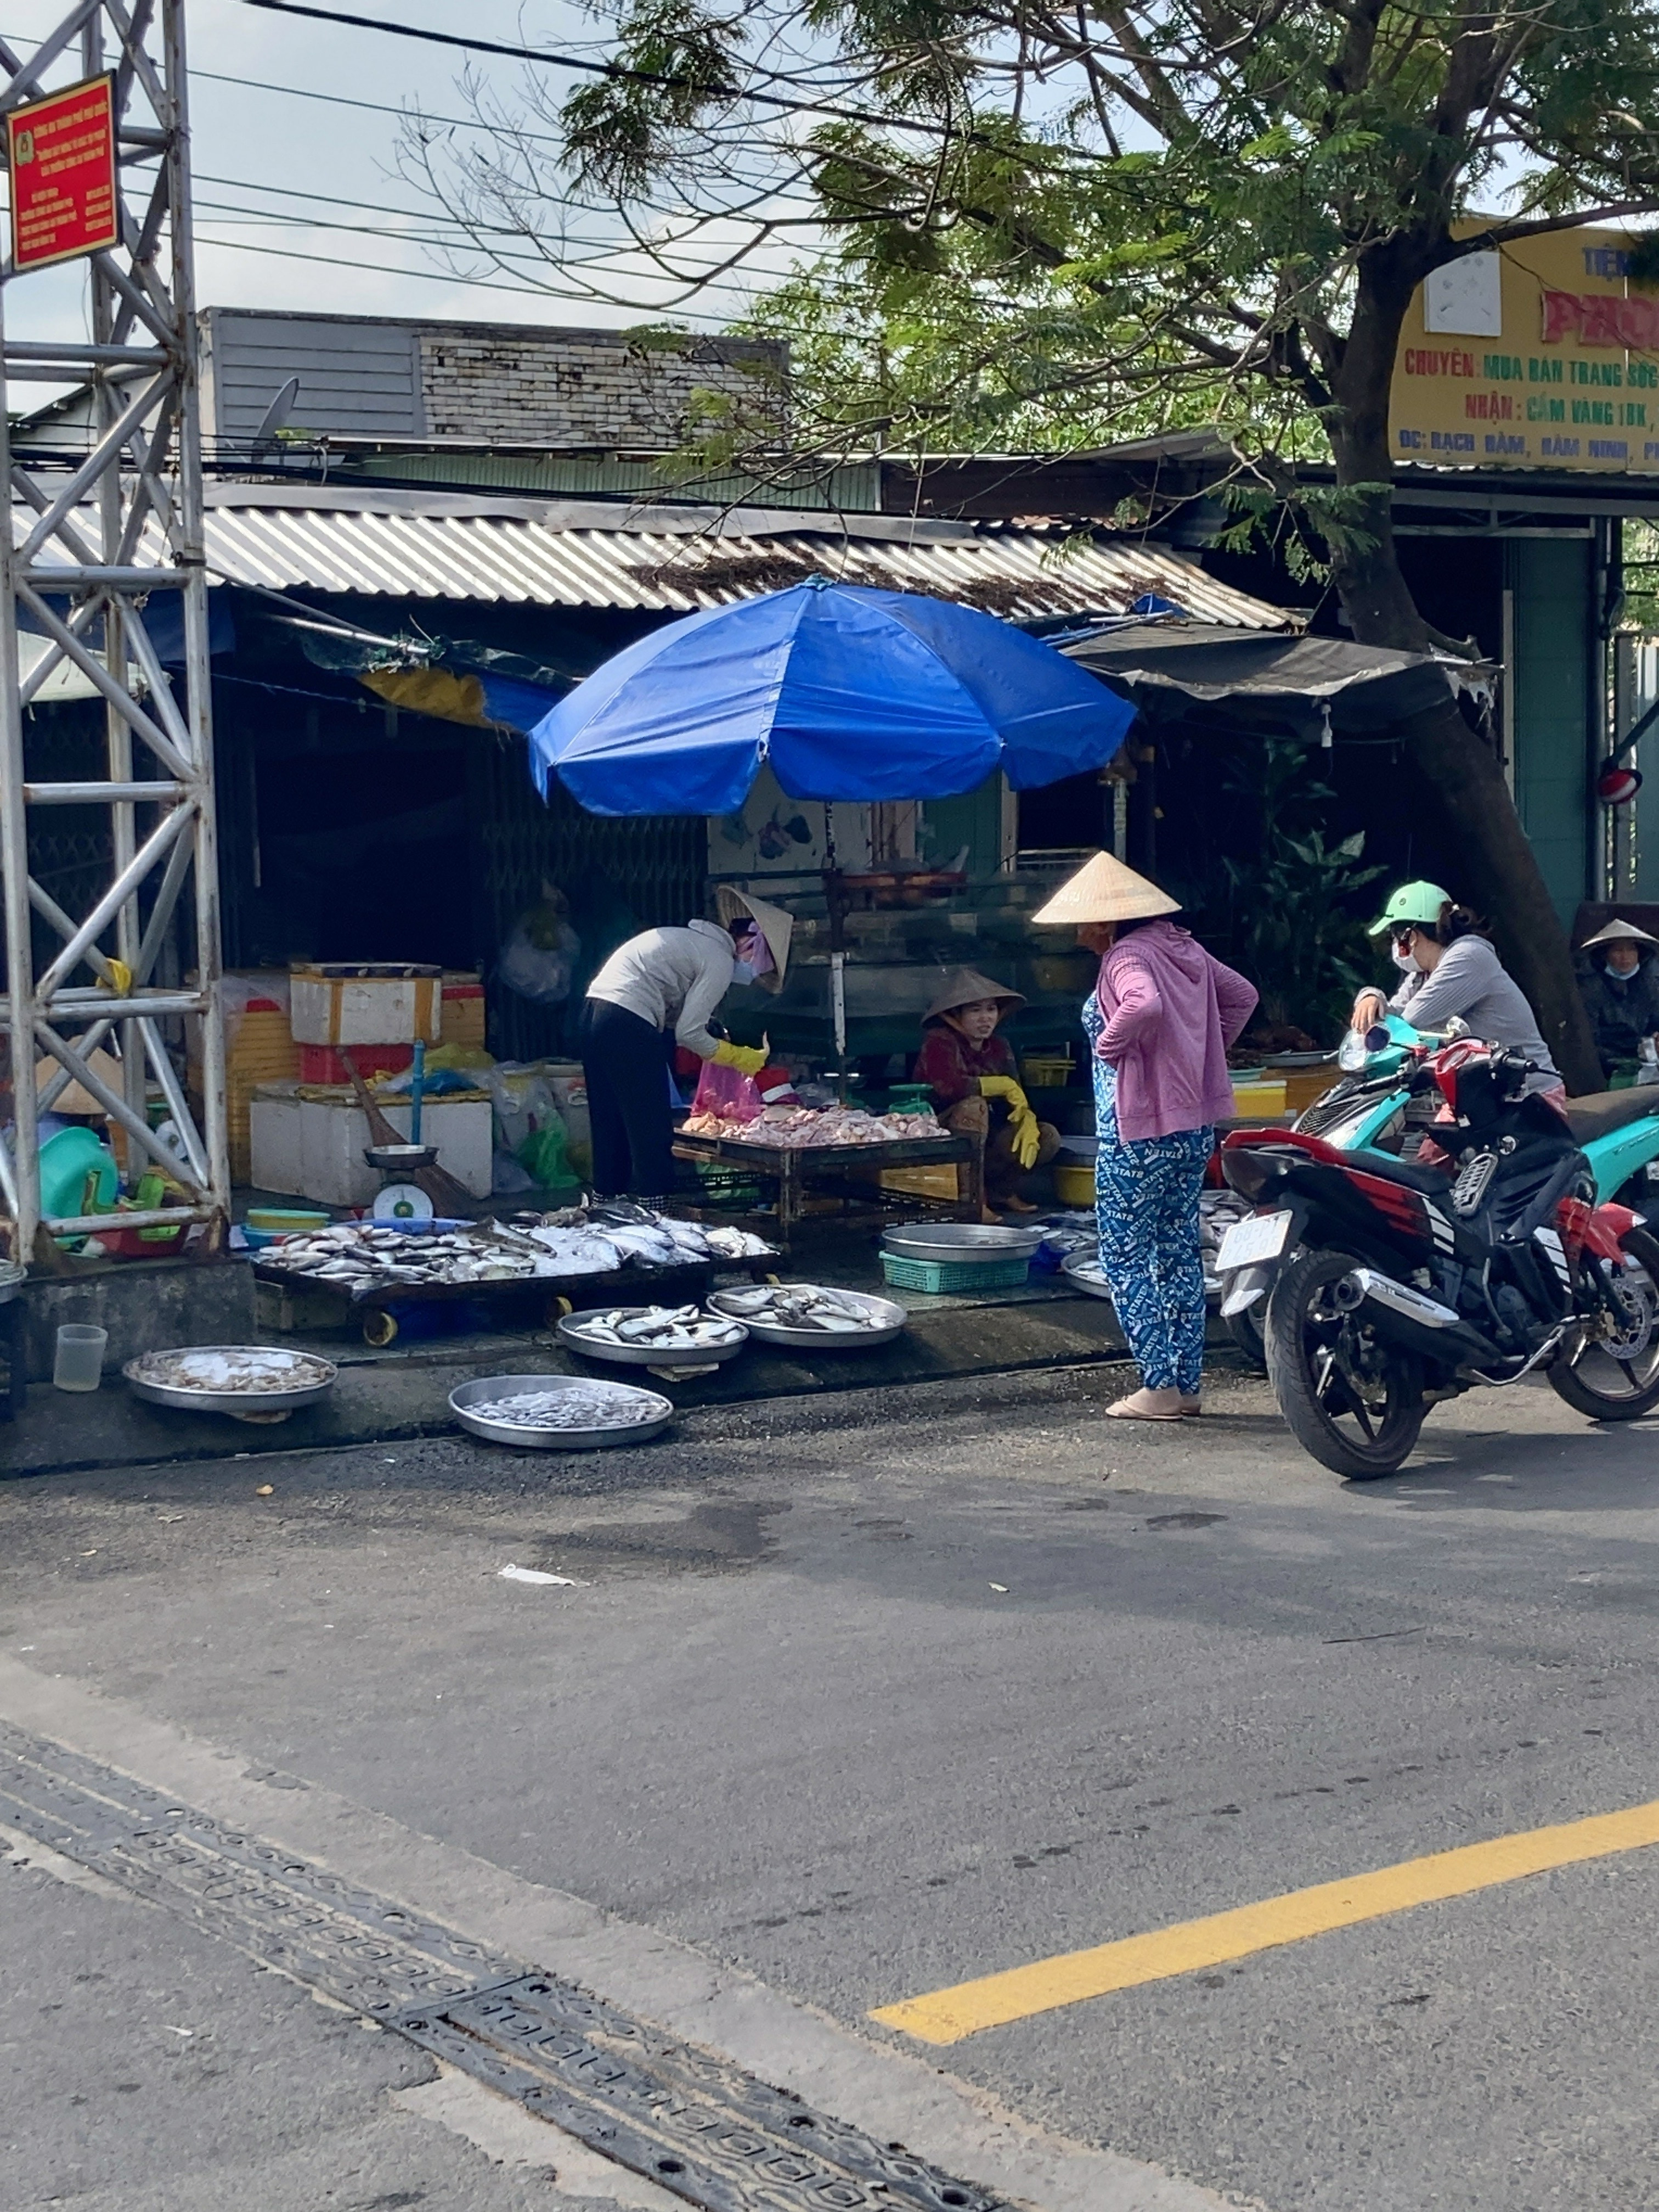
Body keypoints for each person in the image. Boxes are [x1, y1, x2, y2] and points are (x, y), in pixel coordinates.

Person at [1035, 851, 1257, 1423]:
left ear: (1106, 922)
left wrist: (1111, 1048)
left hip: (1137, 1131)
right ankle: (1185, 1385)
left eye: (1084, 924)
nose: (1080, 935)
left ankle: (1157, 1386)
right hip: (1192, 1127)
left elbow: (1144, 1005)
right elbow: (1243, 997)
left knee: (1126, 1254)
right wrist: (1201, 1054)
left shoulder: (1126, 956)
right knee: (1178, 1250)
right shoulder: (1183, 947)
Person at [579, 887, 793, 1197]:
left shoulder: (692, 942)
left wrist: (713, 1036)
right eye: (760, 963)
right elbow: (688, 1034)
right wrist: (740, 1058)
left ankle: (604, 1202)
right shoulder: (718, 958)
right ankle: (657, 1209)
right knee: (650, 1126)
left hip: (594, 1014)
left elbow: (677, 1018)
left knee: (609, 1120)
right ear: (748, 943)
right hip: (628, 1020)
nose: (754, 973)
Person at [1351, 881, 1562, 1096]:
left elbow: (1409, 1024)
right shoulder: (1422, 975)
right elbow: (1394, 1017)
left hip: (1531, 1096)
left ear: (1410, 937)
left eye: (1395, 937)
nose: (1395, 946)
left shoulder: (1468, 956)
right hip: (1487, 1097)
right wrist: (1371, 996)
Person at [912, 968, 1061, 1216]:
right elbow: (949, 1087)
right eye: (975, 1010)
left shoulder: (999, 1047)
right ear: (955, 1015)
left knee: (1047, 1136)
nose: (985, 1018)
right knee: (973, 1106)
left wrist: (1025, 1116)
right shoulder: (939, 1041)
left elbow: (1015, 1094)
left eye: (991, 1010)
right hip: (941, 1136)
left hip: (989, 1137)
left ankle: (1002, 1193)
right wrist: (996, 1085)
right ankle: (972, 1201)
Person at [1577, 919, 1659, 1079]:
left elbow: (1655, 1022)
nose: (1625, 957)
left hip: (1646, 1061)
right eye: (1618, 950)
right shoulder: (1589, 988)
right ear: (1604, 955)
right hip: (1607, 1066)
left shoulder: (1648, 984)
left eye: (1631, 950)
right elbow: (1589, 1040)